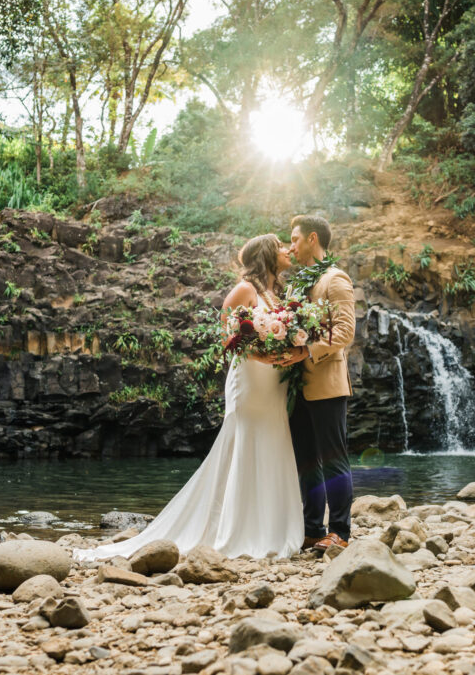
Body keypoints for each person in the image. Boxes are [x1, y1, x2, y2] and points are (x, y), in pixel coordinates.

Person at [73, 234, 304, 561]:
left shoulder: (277, 293)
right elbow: (228, 336)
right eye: (280, 245)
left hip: (274, 382)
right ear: (267, 254)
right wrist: (263, 357)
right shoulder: (244, 290)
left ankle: (272, 528)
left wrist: (291, 352)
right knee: (246, 442)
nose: (286, 250)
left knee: (273, 440)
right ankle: (238, 530)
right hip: (251, 380)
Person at [284, 215, 356, 552]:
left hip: (326, 383)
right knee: (307, 460)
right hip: (297, 387)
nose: (291, 246)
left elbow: (345, 332)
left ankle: (340, 531)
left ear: (313, 239)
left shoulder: (335, 279)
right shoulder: (296, 285)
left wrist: (305, 351)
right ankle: (313, 528)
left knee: (332, 459)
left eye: (295, 239)